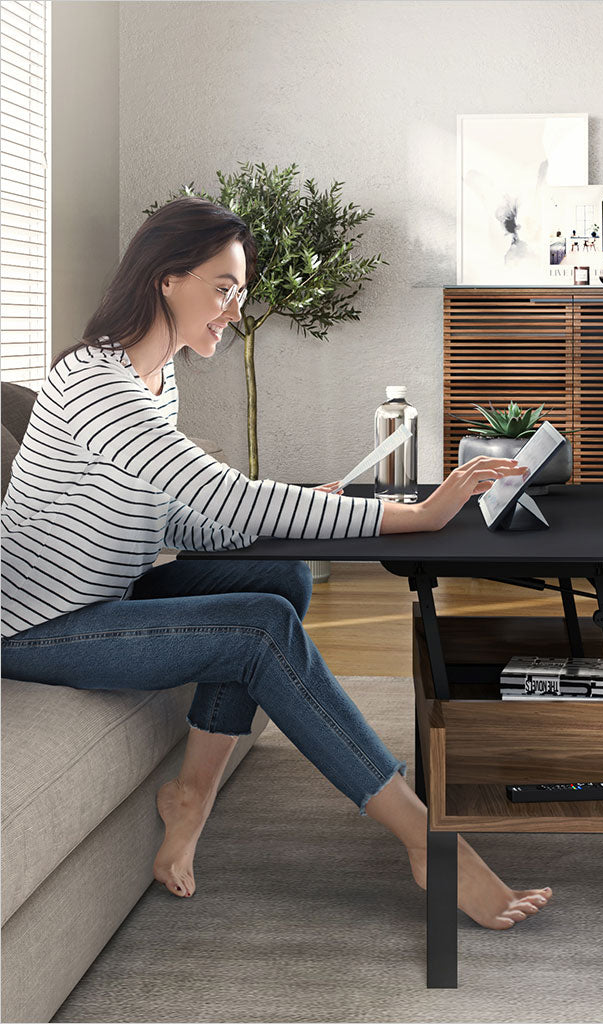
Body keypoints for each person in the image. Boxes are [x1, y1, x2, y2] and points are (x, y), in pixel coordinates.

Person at [0, 197, 551, 931]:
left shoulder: (157, 382)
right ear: (167, 278)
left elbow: (171, 516)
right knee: (260, 627)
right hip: (38, 626)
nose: (233, 308)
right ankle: (426, 841)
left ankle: (192, 792)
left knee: (281, 574)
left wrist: (293, 506)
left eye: (239, 292)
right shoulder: (93, 385)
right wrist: (413, 515)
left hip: (111, 593)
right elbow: (229, 498)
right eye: (223, 288)